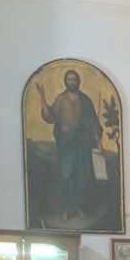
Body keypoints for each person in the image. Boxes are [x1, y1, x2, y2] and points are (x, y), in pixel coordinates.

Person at [36, 69, 102, 220]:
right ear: (65, 82)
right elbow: (50, 116)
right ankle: (66, 209)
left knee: (82, 177)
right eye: (69, 79)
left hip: (82, 143)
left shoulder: (85, 100)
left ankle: (78, 207)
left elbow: (93, 121)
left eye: (74, 79)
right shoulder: (61, 99)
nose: (72, 82)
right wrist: (42, 97)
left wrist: (97, 135)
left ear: (78, 81)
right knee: (66, 176)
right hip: (66, 144)